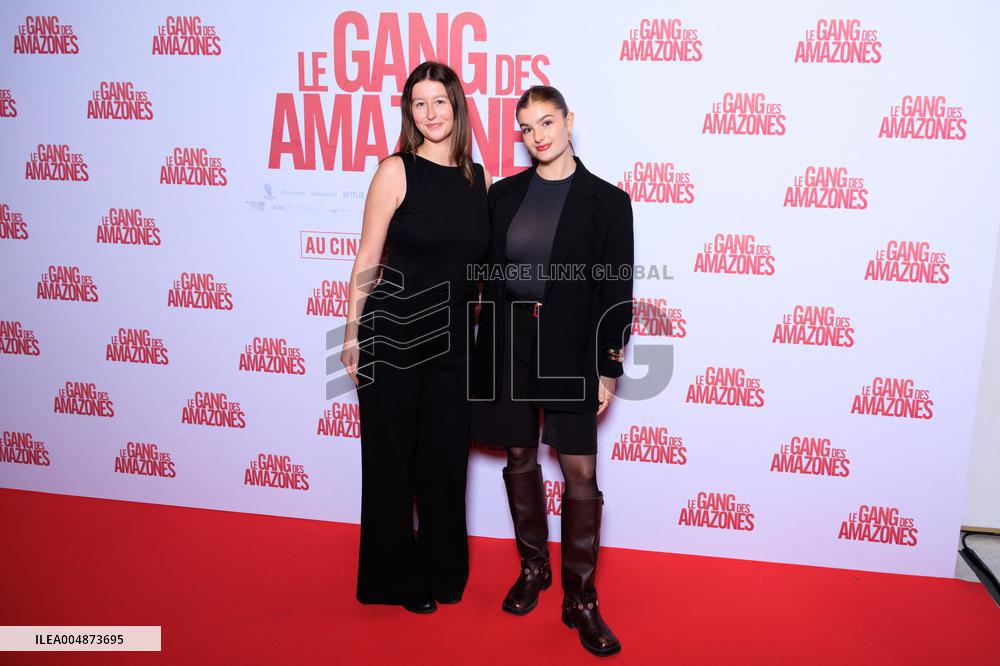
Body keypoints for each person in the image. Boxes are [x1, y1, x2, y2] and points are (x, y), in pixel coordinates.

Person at [471, 85, 633, 656]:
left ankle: (580, 599)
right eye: (527, 127)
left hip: (571, 347)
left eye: (546, 122)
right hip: (507, 341)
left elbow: (616, 289)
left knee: (579, 473)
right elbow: (482, 269)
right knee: (519, 456)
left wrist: (608, 366)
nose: (537, 135)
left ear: (569, 120)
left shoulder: (607, 201)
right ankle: (534, 566)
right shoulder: (504, 195)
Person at [341, 61, 491, 614]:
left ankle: (443, 569)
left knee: (445, 459)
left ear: (457, 107)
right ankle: (394, 579)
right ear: (409, 112)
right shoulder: (395, 171)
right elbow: (367, 257)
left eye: (439, 101)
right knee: (392, 461)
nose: (430, 113)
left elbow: (483, 271)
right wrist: (351, 336)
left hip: (453, 341)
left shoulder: (479, 180)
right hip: (393, 336)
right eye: (419, 103)